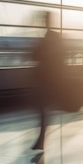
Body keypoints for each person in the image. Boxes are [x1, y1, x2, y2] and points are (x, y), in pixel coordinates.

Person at [31, 11, 66, 150]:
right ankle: (41, 139)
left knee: (43, 109)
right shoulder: (52, 37)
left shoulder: (49, 38)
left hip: (48, 78)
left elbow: (36, 55)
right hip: (49, 78)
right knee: (44, 109)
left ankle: (41, 139)